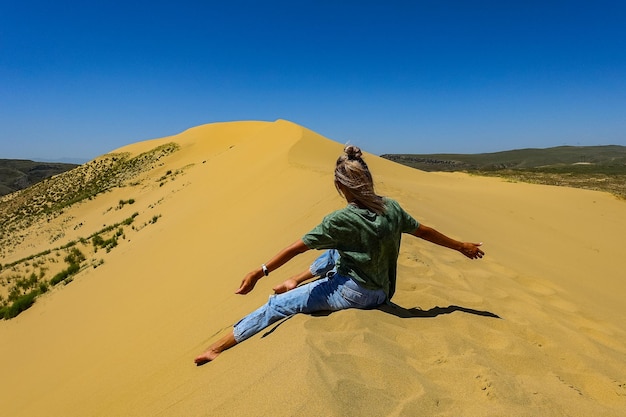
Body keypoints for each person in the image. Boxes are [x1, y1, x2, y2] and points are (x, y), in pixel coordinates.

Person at [194, 145, 484, 365]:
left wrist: (259, 271)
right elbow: (425, 231)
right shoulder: (392, 208)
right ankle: (299, 279)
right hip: (384, 290)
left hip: (354, 294)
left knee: (276, 305)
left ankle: (216, 348)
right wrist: (461, 246)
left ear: (340, 186)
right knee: (336, 249)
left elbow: (297, 247)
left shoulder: (339, 220)